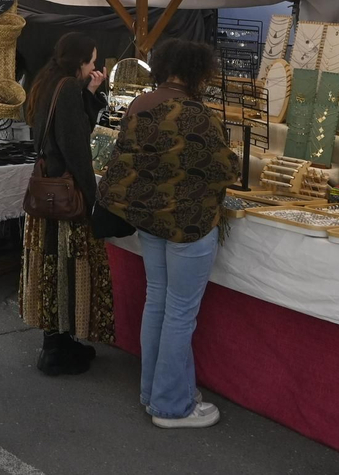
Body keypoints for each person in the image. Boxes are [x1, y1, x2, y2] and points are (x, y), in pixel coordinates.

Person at [98, 38, 240, 430]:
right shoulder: (196, 114)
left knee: (158, 302)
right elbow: (226, 169)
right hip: (188, 225)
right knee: (179, 313)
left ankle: (153, 392)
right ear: (196, 72)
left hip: (150, 221)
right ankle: (171, 406)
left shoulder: (139, 105)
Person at [19, 32, 111, 376]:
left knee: (52, 268)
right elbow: (76, 148)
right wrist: (90, 198)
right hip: (65, 195)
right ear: (80, 62)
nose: (94, 68)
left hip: (48, 190)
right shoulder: (68, 88)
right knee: (65, 268)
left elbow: (65, 128)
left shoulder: (48, 82)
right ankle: (56, 349)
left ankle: (58, 341)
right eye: (92, 62)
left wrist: (89, 93)